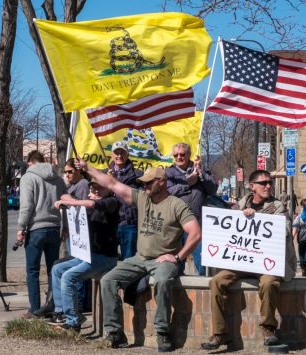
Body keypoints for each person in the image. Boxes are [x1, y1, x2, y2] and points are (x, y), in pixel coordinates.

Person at [75, 159, 201, 352]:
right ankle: (115, 332)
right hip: (139, 258)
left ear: (162, 182)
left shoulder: (176, 205)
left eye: (149, 182)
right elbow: (112, 183)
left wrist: (177, 258)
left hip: (163, 260)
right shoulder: (142, 198)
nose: (145, 186)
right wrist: (87, 169)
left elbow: (195, 233)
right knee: (108, 280)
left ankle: (162, 331)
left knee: (162, 280)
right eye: (144, 183)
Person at [201, 170, 297, 350]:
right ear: (252, 186)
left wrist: (258, 219)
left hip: (267, 263)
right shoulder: (240, 204)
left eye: (270, 182)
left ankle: (268, 329)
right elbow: (228, 228)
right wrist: (240, 216)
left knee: (269, 283)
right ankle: (219, 333)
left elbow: (283, 230)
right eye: (263, 183)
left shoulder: (278, 206)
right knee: (216, 281)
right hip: (242, 261)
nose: (268, 186)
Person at [49, 179, 119, 332]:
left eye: (100, 188)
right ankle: (62, 313)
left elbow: (94, 204)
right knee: (57, 270)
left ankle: (73, 322)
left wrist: (74, 201)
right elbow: (70, 203)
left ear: (108, 189)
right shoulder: (88, 206)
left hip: (105, 257)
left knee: (69, 277)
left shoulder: (111, 202)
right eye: (93, 189)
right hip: (88, 255)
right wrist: (65, 204)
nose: (96, 191)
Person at [33, 158, 91, 318]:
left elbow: (83, 207)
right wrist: (64, 227)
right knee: (66, 266)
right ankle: (65, 305)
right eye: (65, 172)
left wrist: (68, 201)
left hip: (81, 233)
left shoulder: (83, 185)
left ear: (79, 170)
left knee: (77, 269)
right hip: (72, 231)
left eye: (70, 171)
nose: (67, 174)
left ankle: (79, 303)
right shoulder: (71, 186)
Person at [17, 150, 67, 317]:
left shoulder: (28, 178)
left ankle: (35, 309)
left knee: (33, 271)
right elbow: (66, 204)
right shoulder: (59, 179)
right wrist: (64, 227)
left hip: (36, 228)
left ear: (30, 162)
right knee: (53, 269)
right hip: (54, 227)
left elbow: (27, 205)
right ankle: (53, 306)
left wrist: (20, 227)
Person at [165, 142, 218, 275]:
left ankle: (204, 293)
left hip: (198, 224)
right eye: (175, 155)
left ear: (189, 155)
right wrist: (187, 183)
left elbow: (212, 190)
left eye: (182, 154)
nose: (179, 157)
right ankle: (178, 294)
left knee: (202, 265)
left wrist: (200, 173)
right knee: (175, 264)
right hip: (176, 226)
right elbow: (167, 193)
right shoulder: (168, 172)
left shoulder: (201, 170)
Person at [107, 140, 142, 260]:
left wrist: (114, 182)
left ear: (128, 155)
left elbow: (142, 198)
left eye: (122, 152)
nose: (119, 156)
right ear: (111, 155)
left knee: (129, 262)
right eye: (116, 153)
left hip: (129, 224)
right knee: (108, 261)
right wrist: (108, 181)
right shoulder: (104, 174)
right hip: (109, 224)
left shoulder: (138, 175)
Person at [292, 199, 306, 276]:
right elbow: (295, 227)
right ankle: (304, 269)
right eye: (304, 206)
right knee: (302, 257)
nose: (305, 207)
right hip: (301, 239)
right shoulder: (300, 216)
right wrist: (292, 237)